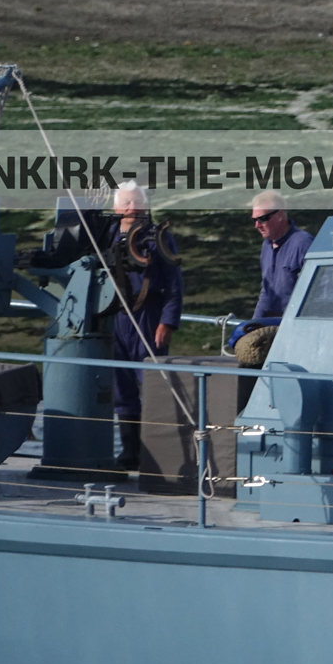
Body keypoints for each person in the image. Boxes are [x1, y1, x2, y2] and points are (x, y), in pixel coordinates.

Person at [105, 182, 182, 472]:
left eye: (136, 204)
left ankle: (160, 456)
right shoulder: (107, 235)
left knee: (154, 384)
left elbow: (174, 283)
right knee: (121, 387)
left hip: (148, 316)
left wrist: (168, 321)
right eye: (126, 205)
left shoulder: (158, 238)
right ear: (116, 208)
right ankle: (129, 452)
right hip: (116, 317)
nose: (132, 210)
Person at [238, 189, 311, 368]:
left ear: (279, 215)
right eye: (254, 220)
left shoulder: (303, 244)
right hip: (272, 331)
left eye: (262, 219)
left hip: (295, 332)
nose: (257, 225)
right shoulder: (266, 246)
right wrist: (253, 327)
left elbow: (317, 291)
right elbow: (267, 290)